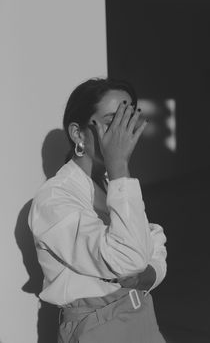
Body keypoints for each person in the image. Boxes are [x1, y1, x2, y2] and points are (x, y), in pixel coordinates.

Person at [28, 78, 167, 343]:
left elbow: (153, 241)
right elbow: (130, 258)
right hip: (97, 328)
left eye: (128, 120)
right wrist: (118, 167)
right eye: (112, 121)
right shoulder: (54, 199)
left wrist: (150, 274)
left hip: (141, 317)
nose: (122, 132)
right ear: (78, 134)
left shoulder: (109, 183)